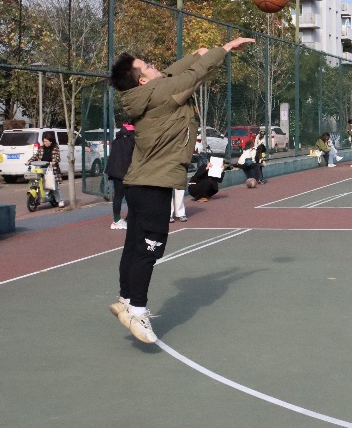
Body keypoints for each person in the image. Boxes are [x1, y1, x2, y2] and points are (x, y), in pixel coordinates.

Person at [107, 36, 254, 344]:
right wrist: (225, 49)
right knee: (150, 249)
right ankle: (138, 311)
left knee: (133, 246)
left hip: (139, 183)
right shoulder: (161, 93)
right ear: (143, 80)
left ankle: (125, 298)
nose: (154, 66)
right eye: (148, 65)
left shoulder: (146, 93)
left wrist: (198, 53)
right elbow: (193, 76)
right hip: (154, 184)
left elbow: (173, 73)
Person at [104, 122, 135, 229]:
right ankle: (128, 219)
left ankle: (116, 220)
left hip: (115, 170)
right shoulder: (133, 138)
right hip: (126, 171)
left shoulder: (119, 137)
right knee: (131, 196)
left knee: (118, 195)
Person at [31, 134, 64, 207]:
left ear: (51, 141)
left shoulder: (55, 148)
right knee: (36, 180)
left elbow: (57, 158)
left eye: (46, 141)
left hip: (51, 169)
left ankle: (60, 200)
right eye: (44, 141)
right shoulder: (41, 148)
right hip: (42, 168)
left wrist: (53, 162)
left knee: (54, 185)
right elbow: (35, 156)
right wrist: (29, 161)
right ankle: (38, 195)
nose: (45, 143)